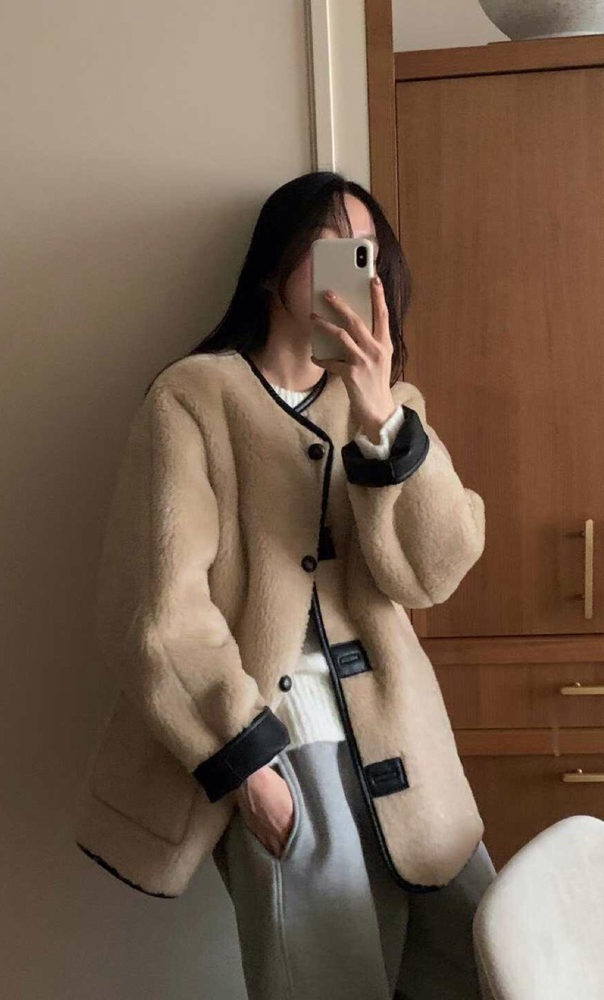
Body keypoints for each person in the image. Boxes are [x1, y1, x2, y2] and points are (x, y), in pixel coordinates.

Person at [75, 171, 497, 999]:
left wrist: (381, 421)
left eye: (367, 250)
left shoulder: (388, 405)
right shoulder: (194, 399)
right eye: (332, 246)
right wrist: (251, 775)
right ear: (275, 267)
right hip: (285, 754)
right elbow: (160, 613)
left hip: (409, 750)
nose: (355, 266)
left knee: (479, 963)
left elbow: (432, 572)